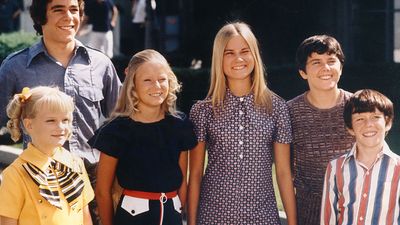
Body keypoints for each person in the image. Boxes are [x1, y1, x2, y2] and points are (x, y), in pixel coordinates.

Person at [0, 0, 121, 224]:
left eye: (74, 9)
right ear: (39, 17)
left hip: (94, 181)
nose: (69, 16)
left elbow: (123, 123)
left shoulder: (101, 64)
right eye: (58, 9)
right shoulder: (15, 67)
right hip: (37, 180)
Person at [188, 22, 297, 225]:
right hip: (213, 216)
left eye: (244, 51)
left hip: (262, 217)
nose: (238, 59)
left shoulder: (277, 108)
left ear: (254, 55)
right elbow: (194, 174)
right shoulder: (203, 111)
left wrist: (292, 222)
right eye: (229, 53)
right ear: (219, 58)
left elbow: (283, 173)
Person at [88, 49, 197, 225]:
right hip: (132, 218)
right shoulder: (116, 130)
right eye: (147, 80)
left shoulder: (179, 126)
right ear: (133, 84)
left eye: (162, 79)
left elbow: (182, 180)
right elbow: (102, 190)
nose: (157, 86)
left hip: (171, 215)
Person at [0, 86, 94, 225]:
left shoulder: (75, 163)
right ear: (29, 124)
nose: (61, 127)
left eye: (65, 120)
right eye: (51, 120)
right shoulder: (15, 174)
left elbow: (85, 216)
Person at [287, 35, 354, 225]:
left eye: (331, 61)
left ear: (340, 67)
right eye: (316, 62)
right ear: (303, 72)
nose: (326, 68)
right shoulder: (290, 112)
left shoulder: (358, 106)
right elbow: (284, 169)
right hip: (309, 212)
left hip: (354, 209)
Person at [321, 89, 400, 225]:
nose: (368, 124)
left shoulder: (397, 168)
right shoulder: (336, 167)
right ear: (350, 128)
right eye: (359, 119)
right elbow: (329, 218)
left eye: (375, 117)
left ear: (388, 123)